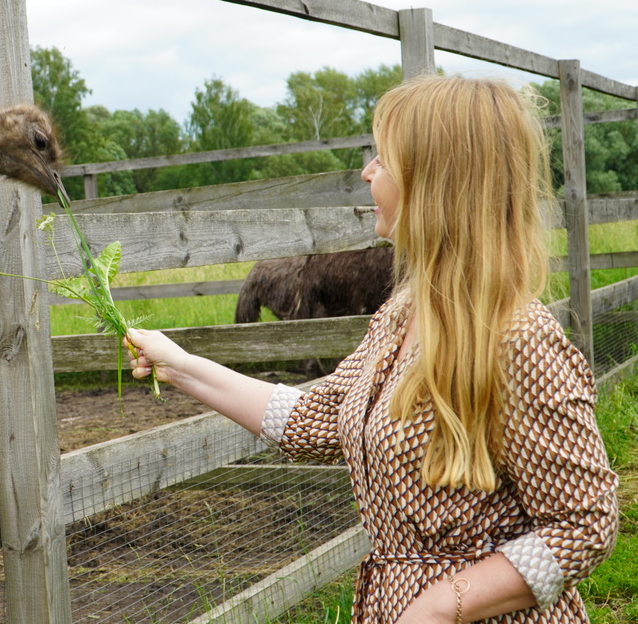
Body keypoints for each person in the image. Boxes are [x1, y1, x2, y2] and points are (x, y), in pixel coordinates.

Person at [127, 74, 618, 623]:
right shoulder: (401, 317)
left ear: (437, 182)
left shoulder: (519, 339)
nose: (366, 172)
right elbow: (316, 419)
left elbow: (585, 523)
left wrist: (441, 605)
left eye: (383, 159)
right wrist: (179, 365)